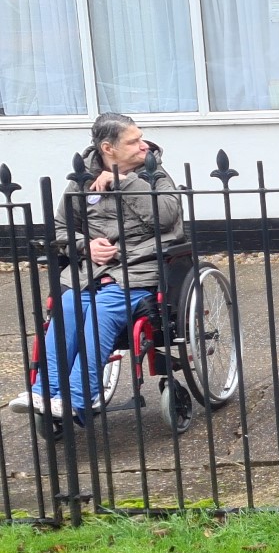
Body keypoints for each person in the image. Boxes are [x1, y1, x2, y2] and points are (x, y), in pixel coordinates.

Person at [9, 113, 184, 420]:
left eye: (141, 138)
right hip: (92, 271)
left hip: (139, 268)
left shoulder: (153, 172)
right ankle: (44, 393)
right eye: (133, 141)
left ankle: (78, 396)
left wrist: (126, 182)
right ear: (108, 148)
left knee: (102, 310)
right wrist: (84, 246)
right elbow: (61, 228)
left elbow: (167, 217)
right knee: (67, 306)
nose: (144, 145)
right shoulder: (82, 179)